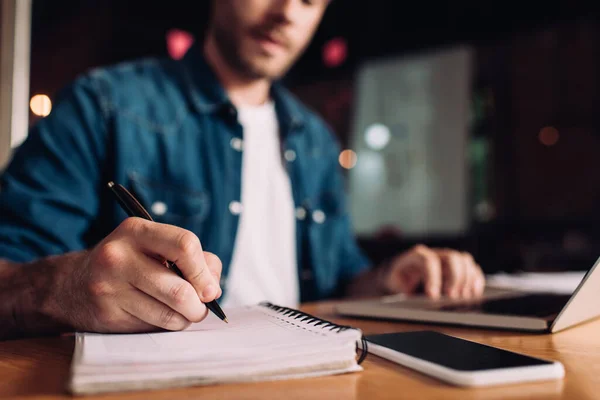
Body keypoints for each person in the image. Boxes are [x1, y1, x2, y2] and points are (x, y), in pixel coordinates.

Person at [0, 0, 485, 341]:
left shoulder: (313, 138)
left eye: (310, 1)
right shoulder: (103, 105)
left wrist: (387, 281)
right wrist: (66, 287)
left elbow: (339, 280)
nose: (287, 13)